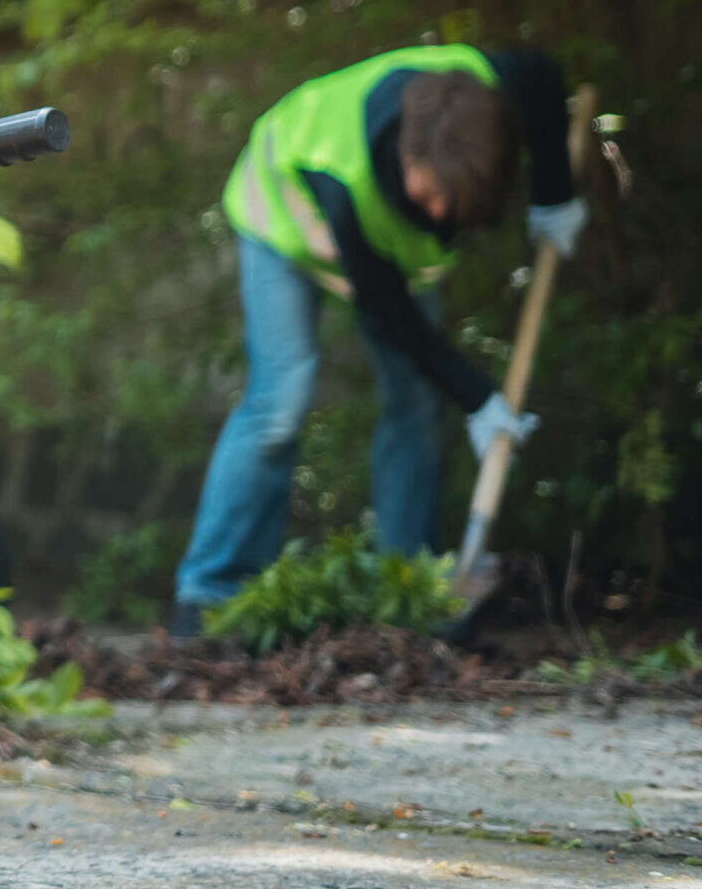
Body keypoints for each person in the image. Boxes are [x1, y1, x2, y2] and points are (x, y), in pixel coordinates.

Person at [169, 44, 584, 636]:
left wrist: (555, 197)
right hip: (281, 215)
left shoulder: (491, 94)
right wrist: (479, 398)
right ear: (406, 152)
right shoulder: (343, 176)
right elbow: (389, 311)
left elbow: (547, 78)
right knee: (279, 405)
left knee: (414, 403)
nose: (441, 210)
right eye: (429, 194)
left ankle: (407, 594)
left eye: (454, 202)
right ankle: (208, 598)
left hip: (389, 256)